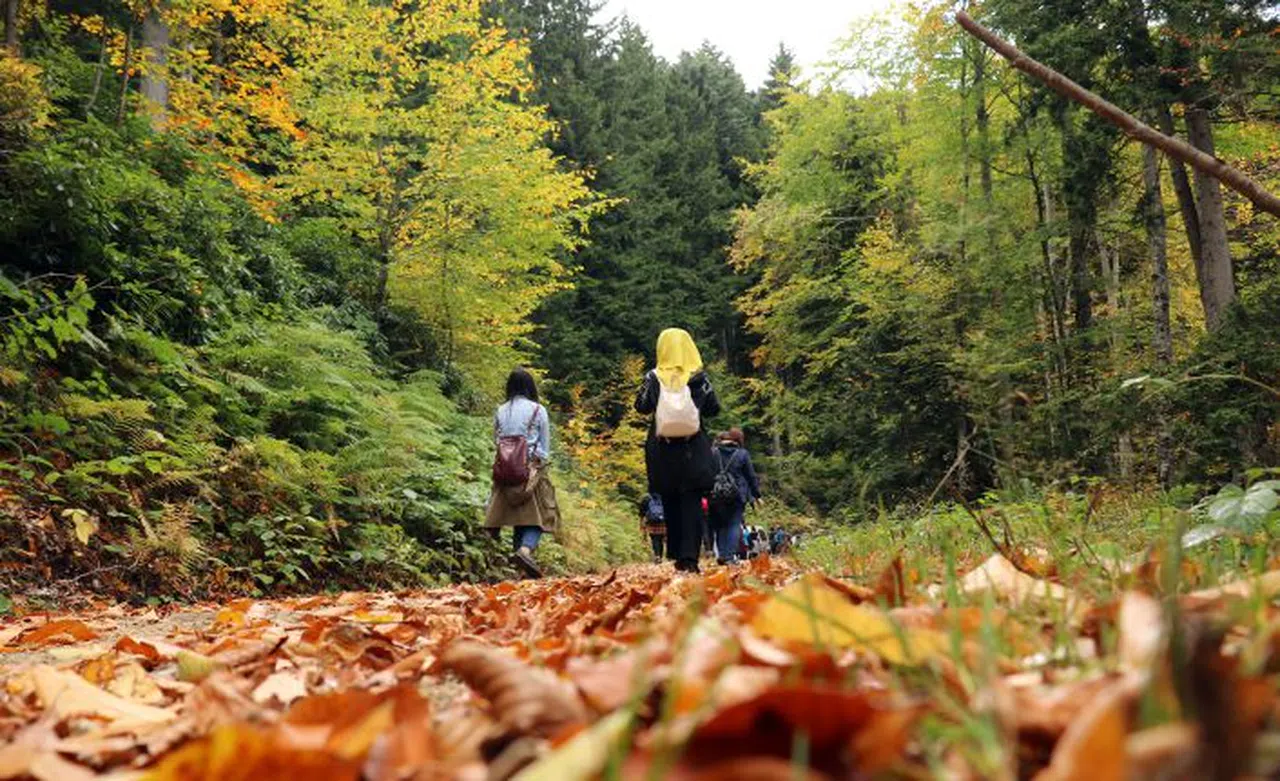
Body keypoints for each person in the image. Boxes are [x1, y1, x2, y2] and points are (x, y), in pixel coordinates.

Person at [635, 328, 721, 573]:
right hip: (693, 447)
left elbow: (641, 406)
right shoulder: (700, 378)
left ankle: (677, 556)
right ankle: (690, 557)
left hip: (663, 449)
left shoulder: (653, 377)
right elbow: (714, 409)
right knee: (692, 501)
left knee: (670, 500)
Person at [485, 367, 560, 578]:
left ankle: (520, 574)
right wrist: (538, 468)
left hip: (504, 471)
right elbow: (544, 447)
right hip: (528, 469)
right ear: (530, 386)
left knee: (518, 519)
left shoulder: (501, 410)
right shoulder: (538, 410)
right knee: (539, 517)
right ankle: (525, 550)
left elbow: (496, 440)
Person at [707, 428, 761, 565]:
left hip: (716, 494)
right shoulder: (742, 454)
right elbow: (751, 476)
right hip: (737, 495)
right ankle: (729, 557)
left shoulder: (712, 452)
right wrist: (756, 494)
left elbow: (706, 473)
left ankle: (722, 555)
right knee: (733, 524)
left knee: (719, 525)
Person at [639, 493, 665, 562]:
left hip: (651, 521)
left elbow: (641, 512)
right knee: (661, 538)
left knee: (654, 538)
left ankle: (657, 555)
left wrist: (641, 523)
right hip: (663, 521)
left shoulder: (646, 498)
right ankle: (660, 556)